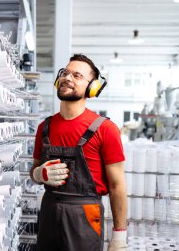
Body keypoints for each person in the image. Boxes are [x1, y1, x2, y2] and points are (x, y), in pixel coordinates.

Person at [30, 54, 127, 251]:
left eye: (77, 75)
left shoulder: (105, 129)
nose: (67, 78)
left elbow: (117, 186)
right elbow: (34, 172)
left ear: (92, 88)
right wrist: (39, 174)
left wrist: (119, 236)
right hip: (49, 212)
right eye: (65, 73)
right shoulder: (44, 127)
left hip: (85, 218)